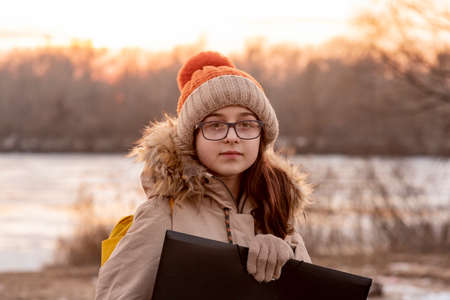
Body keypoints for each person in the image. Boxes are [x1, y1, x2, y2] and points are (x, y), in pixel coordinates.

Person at [95, 51, 312, 299]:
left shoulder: (276, 207)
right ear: (193, 138)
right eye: (215, 125)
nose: (232, 136)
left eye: (246, 124)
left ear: (262, 137)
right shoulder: (164, 215)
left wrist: (287, 255)